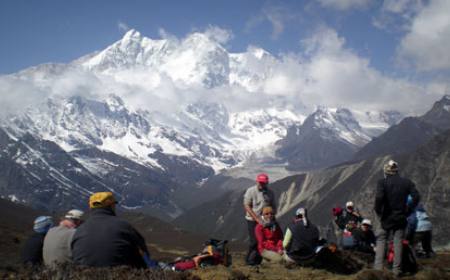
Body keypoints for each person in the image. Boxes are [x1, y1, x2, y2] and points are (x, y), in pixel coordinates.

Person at [71, 192, 154, 268]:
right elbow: (144, 251)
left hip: (83, 276)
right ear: (111, 206)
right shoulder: (124, 226)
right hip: (121, 275)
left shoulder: (79, 230)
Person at [374, 160, 420, 277]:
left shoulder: (382, 182)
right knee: (398, 242)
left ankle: (378, 269)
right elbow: (416, 196)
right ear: (397, 170)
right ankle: (396, 270)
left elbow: (379, 197)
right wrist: (408, 210)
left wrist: (379, 210)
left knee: (381, 239)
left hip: (386, 217)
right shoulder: (407, 182)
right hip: (401, 216)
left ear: (386, 171)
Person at [243, 173, 276, 265]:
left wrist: (272, 218)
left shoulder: (270, 193)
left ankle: (257, 260)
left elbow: (273, 206)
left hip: (266, 220)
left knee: (263, 241)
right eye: (260, 182)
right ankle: (249, 261)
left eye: (264, 183)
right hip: (252, 220)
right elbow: (247, 206)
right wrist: (257, 219)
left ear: (267, 183)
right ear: (257, 181)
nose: (262, 184)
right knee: (254, 241)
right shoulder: (250, 191)